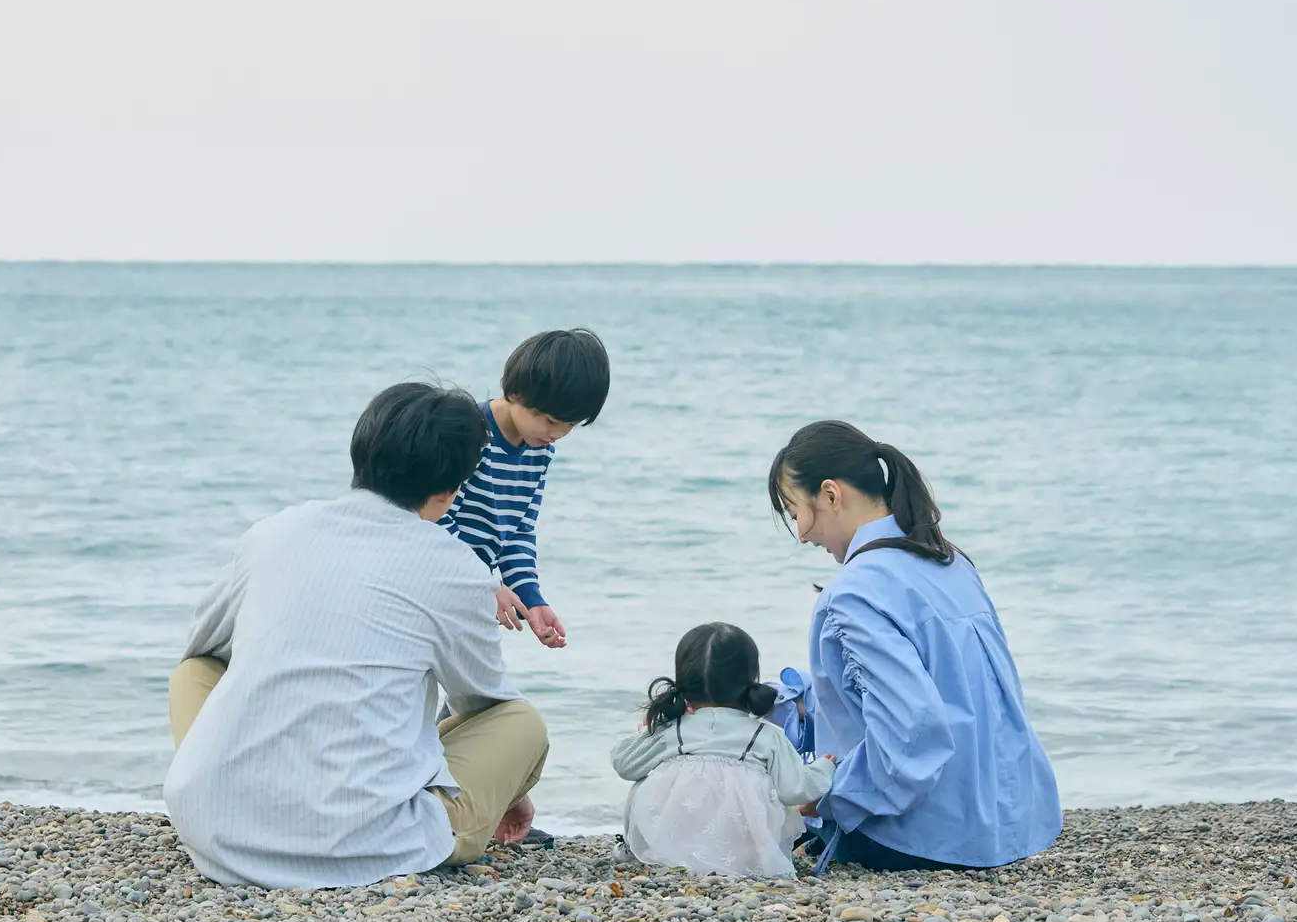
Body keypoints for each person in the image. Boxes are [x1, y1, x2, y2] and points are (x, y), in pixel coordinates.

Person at [162, 383, 548, 888]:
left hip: (214, 829)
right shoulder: (457, 567)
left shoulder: (273, 532)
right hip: (365, 844)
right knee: (521, 723)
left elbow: (205, 643)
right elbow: (483, 701)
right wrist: (506, 787)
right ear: (449, 491)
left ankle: (229, 784)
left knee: (196, 669)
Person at [768, 421, 1061, 872]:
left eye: (795, 515)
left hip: (924, 839)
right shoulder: (950, 561)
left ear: (830, 495)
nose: (803, 536)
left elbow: (913, 729)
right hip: (1008, 826)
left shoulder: (854, 592)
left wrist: (832, 795)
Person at [610, 622, 834, 878]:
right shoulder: (765, 735)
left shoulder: (675, 730)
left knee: (649, 781)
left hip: (668, 844)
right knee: (767, 793)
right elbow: (795, 789)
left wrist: (647, 733)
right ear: (754, 679)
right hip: (743, 852)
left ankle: (640, 848)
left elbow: (624, 764)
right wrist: (825, 768)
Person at [442, 328, 610, 650]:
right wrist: (485, 584)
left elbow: (518, 531)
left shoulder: (539, 450)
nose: (557, 434)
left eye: (571, 426)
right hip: (438, 585)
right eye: (551, 421)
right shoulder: (468, 436)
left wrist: (531, 599)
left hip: (474, 596)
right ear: (516, 393)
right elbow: (435, 521)